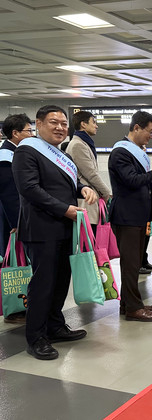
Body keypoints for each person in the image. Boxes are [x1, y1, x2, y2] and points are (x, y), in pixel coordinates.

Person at [12, 105, 98, 360]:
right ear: (38, 124)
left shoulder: (63, 155)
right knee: (43, 284)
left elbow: (71, 181)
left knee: (61, 282)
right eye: (53, 122)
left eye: (63, 123)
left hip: (65, 227)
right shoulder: (26, 152)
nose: (60, 127)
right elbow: (29, 189)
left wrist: (82, 189)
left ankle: (55, 326)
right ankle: (36, 338)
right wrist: (65, 209)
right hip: (41, 228)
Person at [108, 111, 152, 322]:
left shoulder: (135, 151)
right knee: (130, 263)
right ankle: (133, 308)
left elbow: (142, 182)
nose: (151, 136)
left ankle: (128, 302)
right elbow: (131, 180)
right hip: (126, 216)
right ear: (136, 127)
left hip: (138, 215)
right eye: (150, 131)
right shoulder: (121, 152)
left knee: (135, 262)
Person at [0, 113, 33, 324]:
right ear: (15, 133)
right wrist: (16, 223)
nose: (31, 134)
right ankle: (14, 310)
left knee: (20, 262)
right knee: (13, 264)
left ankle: (22, 305)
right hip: (10, 219)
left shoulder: (17, 151)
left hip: (17, 216)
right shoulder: (6, 156)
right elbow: (8, 193)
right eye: (28, 131)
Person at [65, 111, 112, 233]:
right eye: (94, 122)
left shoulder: (84, 143)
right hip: (86, 199)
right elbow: (91, 174)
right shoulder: (77, 145)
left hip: (90, 198)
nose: (96, 126)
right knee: (89, 244)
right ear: (83, 124)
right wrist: (107, 193)